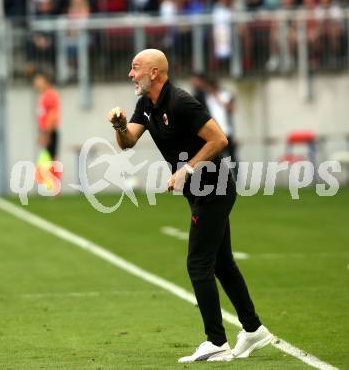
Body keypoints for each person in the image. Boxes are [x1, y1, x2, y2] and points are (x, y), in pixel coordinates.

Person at [107, 49, 272, 363]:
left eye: (135, 68)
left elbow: (219, 139)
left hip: (215, 189)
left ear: (154, 72)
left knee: (198, 265)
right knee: (222, 264)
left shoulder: (180, 101)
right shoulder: (145, 104)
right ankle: (253, 329)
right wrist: (118, 126)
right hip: (200, 192)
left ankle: (217, 341)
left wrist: (187, 169)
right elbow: (128, 142)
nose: (131, 74)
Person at [205, 78, 238, 177]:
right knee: (218, 158)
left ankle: (237, 180)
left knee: (232, 157)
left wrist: (219, 101)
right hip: (215, 134)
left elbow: (232, 109)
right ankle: (221, 180)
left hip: (227, 132)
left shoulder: (224, 96)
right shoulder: (207, 99)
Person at [33, 71, 60, 161]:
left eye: (38, 80)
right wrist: (41, 133)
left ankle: (54, 175)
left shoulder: (50, 95)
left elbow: (52, 115)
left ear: (45, 81)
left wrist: (47, 134)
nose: (36, 83)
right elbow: (42, 115)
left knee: (51, 159)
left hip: (49, 132)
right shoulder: (43, 95)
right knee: (47, 159)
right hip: (45, 132)